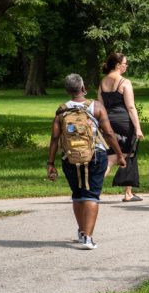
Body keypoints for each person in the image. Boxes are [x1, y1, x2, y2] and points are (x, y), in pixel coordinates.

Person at [47, 74, 126, 249]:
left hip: (70, 157)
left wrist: (50, 164)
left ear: (68, 90)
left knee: (77, 194)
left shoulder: (61, 110)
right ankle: (88, 239)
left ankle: (82, 231)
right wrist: (120, 155)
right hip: (95, 156)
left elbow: (54, 139)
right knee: (91, 195)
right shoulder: (96, 107)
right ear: (83, 88)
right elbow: (109, 133)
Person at [97, 51, 143, 202]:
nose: (126, 66)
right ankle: (128, 193)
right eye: (125, 64)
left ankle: (94, 190)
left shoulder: (102, 83)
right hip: (124, 123)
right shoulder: (125, 82)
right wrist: (138, 128)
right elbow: (130, 107)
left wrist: (102, 125)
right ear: (117, 65)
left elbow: (100, 107)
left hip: (108, 123)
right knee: (129, 154)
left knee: (111, 157)